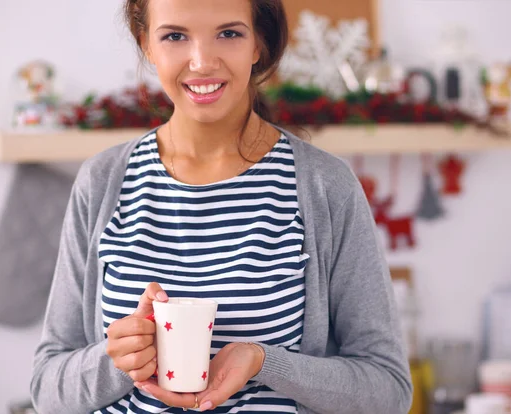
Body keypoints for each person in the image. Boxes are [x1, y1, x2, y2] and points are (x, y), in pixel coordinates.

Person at [30, 0, 413, 412]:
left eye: (229, 33)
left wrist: (267, 363)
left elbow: (388, 391)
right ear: (147, 45)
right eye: (175, 36)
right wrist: (117, 360)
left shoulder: (324, 186)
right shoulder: (102, 182)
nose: (201, 62)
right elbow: (47, 390)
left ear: (257, 45)